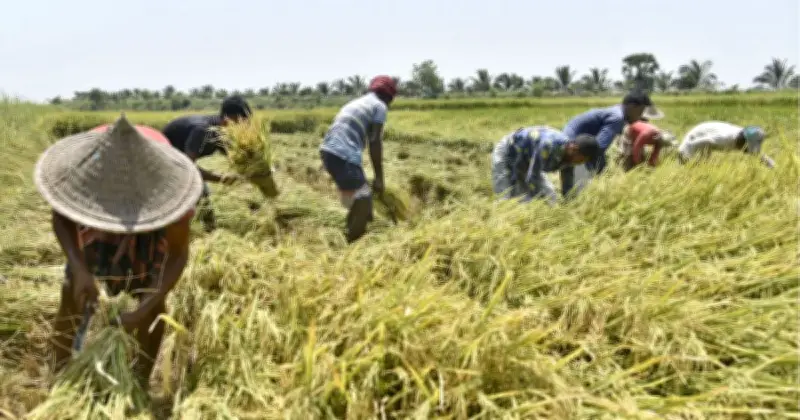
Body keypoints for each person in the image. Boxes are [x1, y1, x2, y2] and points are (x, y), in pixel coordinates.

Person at [34, 115, 203, 389]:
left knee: (152, 300)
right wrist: (79, 268)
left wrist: (146, 305)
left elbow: (177, 253)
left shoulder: (171, 194)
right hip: (100, 183)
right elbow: (61, 217)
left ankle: (139, 383)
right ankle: (57, 375)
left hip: (150, 206)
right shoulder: (86, 173)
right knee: (72, 291)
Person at [319, 75, 397, 243]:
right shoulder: (379, 106)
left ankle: (352, 229)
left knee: (360, 202)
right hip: (343, 154)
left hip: (329, 151)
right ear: (389, 96)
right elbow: (375, 141)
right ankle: (352, 246)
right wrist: (379, 178)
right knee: (363, 199)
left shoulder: (357, 102)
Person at [161, 95, 253, 231]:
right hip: (162, 161)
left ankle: (209, 229)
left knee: (202, 195)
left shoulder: (222, 131)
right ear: (228, 119)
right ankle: (204, 230)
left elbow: (234, 157)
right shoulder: (202, 130)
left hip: (179, 160)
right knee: (198, 191)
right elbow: (188, 169)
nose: (243, 127)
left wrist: (255, 170)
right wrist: (220, 179)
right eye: (240, 122)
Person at [562, 90, 663, 195]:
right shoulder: (617, 118)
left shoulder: (617, 112)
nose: (642, 118)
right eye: (641, 112)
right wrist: (604, 177)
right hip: (573, 145)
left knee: (573, 187)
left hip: (573, 142)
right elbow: (598, 148)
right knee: (579, 189)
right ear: (632, 107)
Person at [491, 125, 601, 205]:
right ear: (574, 149)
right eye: (584, 159)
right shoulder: (548, 146)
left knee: (551, 198)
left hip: (529, 161)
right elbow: (532, 178)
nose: (582, 163)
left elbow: (567, 183)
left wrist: (569, 204)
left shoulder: (570, 157)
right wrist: (538, 201)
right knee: (507, 198)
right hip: (508, 154)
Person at [677, 121, 775, 168]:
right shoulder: (724, 138)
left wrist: (771, 165)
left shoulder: (745, 137)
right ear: (743, 141)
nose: (747, 150)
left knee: (703, 164)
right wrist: (685, 156)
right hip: (697, 135)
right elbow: (699, 142)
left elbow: (755, 153)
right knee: (702, 164)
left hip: (712, 133)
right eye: (747, 146)